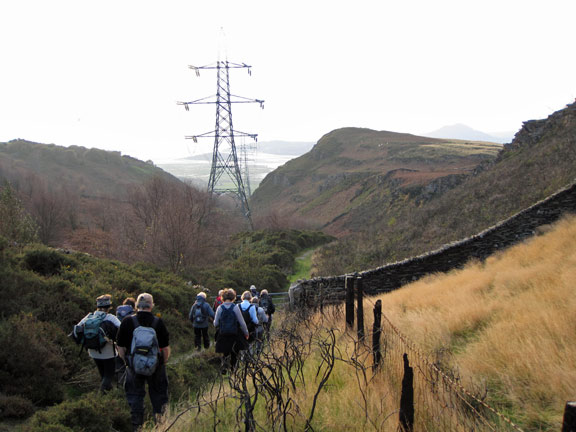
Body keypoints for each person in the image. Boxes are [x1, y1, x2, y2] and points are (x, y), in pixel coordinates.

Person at [116, 293, 170, 431]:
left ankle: (137, 427)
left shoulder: (127, 322)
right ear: (152, 305)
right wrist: (161, 363)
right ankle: (160, 426)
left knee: (135, 397)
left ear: (136, 306)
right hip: (156, 366)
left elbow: (120, 348)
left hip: (133, 366)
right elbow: (165, 348)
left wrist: (128, 362)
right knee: (159, 397)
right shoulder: (158, 322)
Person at [75, 294, 121, 392]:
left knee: (103, 374)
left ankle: (107, 396)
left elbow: (77, 329)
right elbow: (122, 329)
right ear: (109, 306)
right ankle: (102, 393)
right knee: (109, 375)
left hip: (93, 351)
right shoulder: (111, 317)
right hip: (109, 352)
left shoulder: (89, 316)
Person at [213, 289, 249, 373]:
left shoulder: (220, 308)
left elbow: (216, 323)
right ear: (233, 297)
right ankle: (233, 369)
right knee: (234, 353)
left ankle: (224, 366)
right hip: (234, 334)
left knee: (225, 352)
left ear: (223, 297)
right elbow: (242, 322)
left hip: (223, 334)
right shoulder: (235, 307)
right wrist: (246, 332)